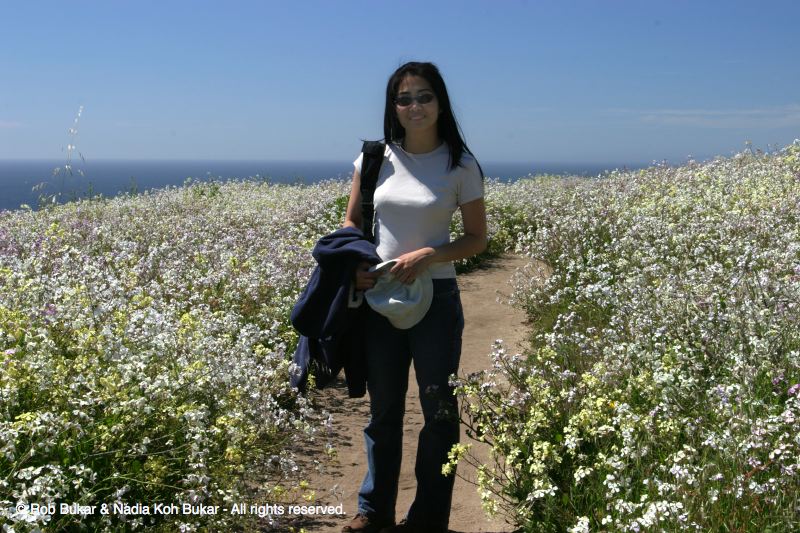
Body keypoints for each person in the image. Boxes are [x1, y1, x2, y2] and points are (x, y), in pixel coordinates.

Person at [341, 61, 487, 533]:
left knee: (438, 409)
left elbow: (476, 239)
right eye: (404, 99)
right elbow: (352, 226)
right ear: (393, 107)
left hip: (436, 297)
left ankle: (427, 519)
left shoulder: (460, 164)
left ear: (440, 102)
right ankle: (374, 511)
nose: (414, 106)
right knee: (383, 410)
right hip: (380, 297)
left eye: (424, 96)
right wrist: (358, 269)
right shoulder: (373, 158)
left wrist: (428, 255)